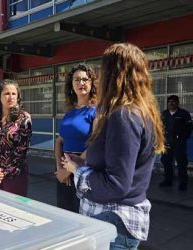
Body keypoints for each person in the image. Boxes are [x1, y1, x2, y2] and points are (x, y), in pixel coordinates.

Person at [62, 43, 165, 249]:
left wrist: (78, 169)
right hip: (113, 221)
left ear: (114, 73)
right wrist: (85, 161)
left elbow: (116, 184)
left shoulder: (123, 116)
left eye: (103, 69)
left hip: (113, 222)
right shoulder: (136, 112)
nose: (99, 76)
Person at [55, 64, 96, 213]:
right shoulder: (69, 113)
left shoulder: (95, 112)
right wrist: (60, 168)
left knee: (81, 216)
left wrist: (72, 168)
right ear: (71, 85)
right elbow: (59, 141)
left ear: (91, 84)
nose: (81, 83)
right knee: (65, 213)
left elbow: (95, 144)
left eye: (85, 79)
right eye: (76, 80)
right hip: (64, 170)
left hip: (83, 169)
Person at [0, 80, 32, 196]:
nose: (10, 97)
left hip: (15, 175)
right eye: (7, 93)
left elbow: (21, 151)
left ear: (18, 97)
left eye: (14, 94)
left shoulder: (24, 118)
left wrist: (1, 174)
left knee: (13, 210)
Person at [160, 95, 192, 191]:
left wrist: (183, 137)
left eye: (173, 101)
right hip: (167, 141)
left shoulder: (183, 114)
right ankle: (168, 181)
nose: (171, 103)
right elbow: (159, 126)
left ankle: (183, 183)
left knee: (181, 162)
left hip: (179, 142)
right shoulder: (164, 114)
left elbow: (189, 127)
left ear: (177, 103)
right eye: (169, 102)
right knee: (166, 161)